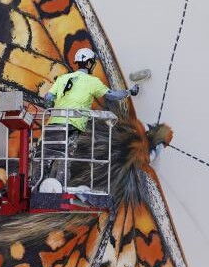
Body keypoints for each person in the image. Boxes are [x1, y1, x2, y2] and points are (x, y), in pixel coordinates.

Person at [38, 48, 139, 196]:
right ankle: (58, 192)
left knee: (45, 158)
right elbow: (112, 95)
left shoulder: (63, 78)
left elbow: (48, 98)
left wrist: (53, 106)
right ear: (89, 63)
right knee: (64, 158)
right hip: (71, 125)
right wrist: (130, 92)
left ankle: (38, 187)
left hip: (53, 124)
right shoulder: (92, 82)